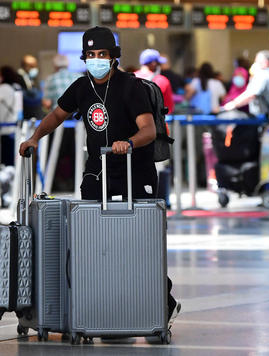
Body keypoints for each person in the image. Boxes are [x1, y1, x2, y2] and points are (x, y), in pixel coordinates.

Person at [19, 26, 180, 328]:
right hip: (98, 172)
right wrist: (34, 137)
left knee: (140, 242)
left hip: (135, 171)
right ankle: (105, 304)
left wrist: (128, 142)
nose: (96, 60)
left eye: (102, 55)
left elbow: (148, 129)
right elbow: (56, 115)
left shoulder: (130, 87)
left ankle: (163, 299)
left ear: (114, 57)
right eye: (90, 55)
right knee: (94, 241)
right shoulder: (81, 88)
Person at [41, 54, 84, 191]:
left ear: (55, 66)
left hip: (58, 122)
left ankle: (51, 184)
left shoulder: (51, 79)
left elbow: (47, 103)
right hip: (78, 123)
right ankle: (77, 183)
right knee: (76, 153)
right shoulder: (78, 77)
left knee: (55, 153)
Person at [223, 50, 269, 117]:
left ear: (266, 63)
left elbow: (251, 93)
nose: (254, 64)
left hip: (264, 117)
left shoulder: (262, 74)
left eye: (256, 62)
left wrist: (233, 104)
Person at [134, 49, 175, 114]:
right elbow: (169, 108)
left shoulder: (130, 78)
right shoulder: (162, 81)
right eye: (159, 63)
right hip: (154, 122)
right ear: (154, 63)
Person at [0, 65, 22, 167]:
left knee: (5, 160)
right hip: (17, 127)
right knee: (14, 160)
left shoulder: (3, 88)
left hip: (5, 129)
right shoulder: (17, 87)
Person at [17, 54, 43, 120]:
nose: (35, 69)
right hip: (24, 108)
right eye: (32, 66)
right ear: (26, 66)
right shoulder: (19, 76)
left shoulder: (29, 77)